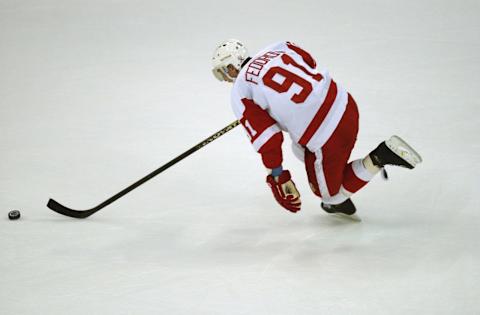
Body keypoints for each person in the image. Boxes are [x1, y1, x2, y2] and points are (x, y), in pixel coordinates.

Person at [211, 39, 422, 219]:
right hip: (345, 104)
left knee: (332, 196)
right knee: (299, 149)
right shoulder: (277, 46)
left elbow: (269, 139)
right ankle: (328, 170)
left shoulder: (239, 92)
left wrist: (277, 176)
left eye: (223, 72)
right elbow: (308, 61)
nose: (225, 79)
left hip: (326, 137)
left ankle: (381, 156)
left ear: (231, 67)